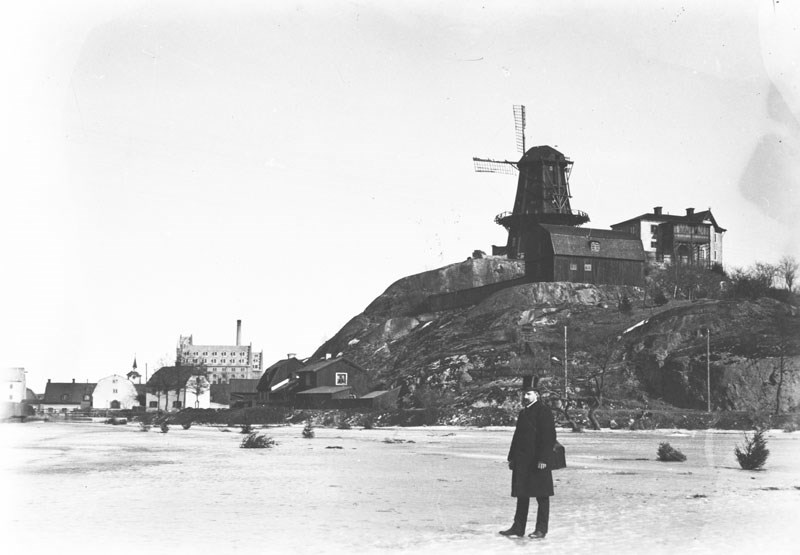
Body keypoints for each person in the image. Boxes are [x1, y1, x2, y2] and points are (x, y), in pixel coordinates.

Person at [499, 381, 557, 539]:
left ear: (536, 395)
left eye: (529, 393)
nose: (525, 396)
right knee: (522, 494)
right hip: (522, 460)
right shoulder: (524, 412)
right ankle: (518, 528)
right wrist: (511, 457)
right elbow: (517, 437)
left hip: (538, 460)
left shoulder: (544, 411)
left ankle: (541, 529)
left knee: (542, 496)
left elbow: (549, 437)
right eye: (523, 394)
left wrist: (544, 458)